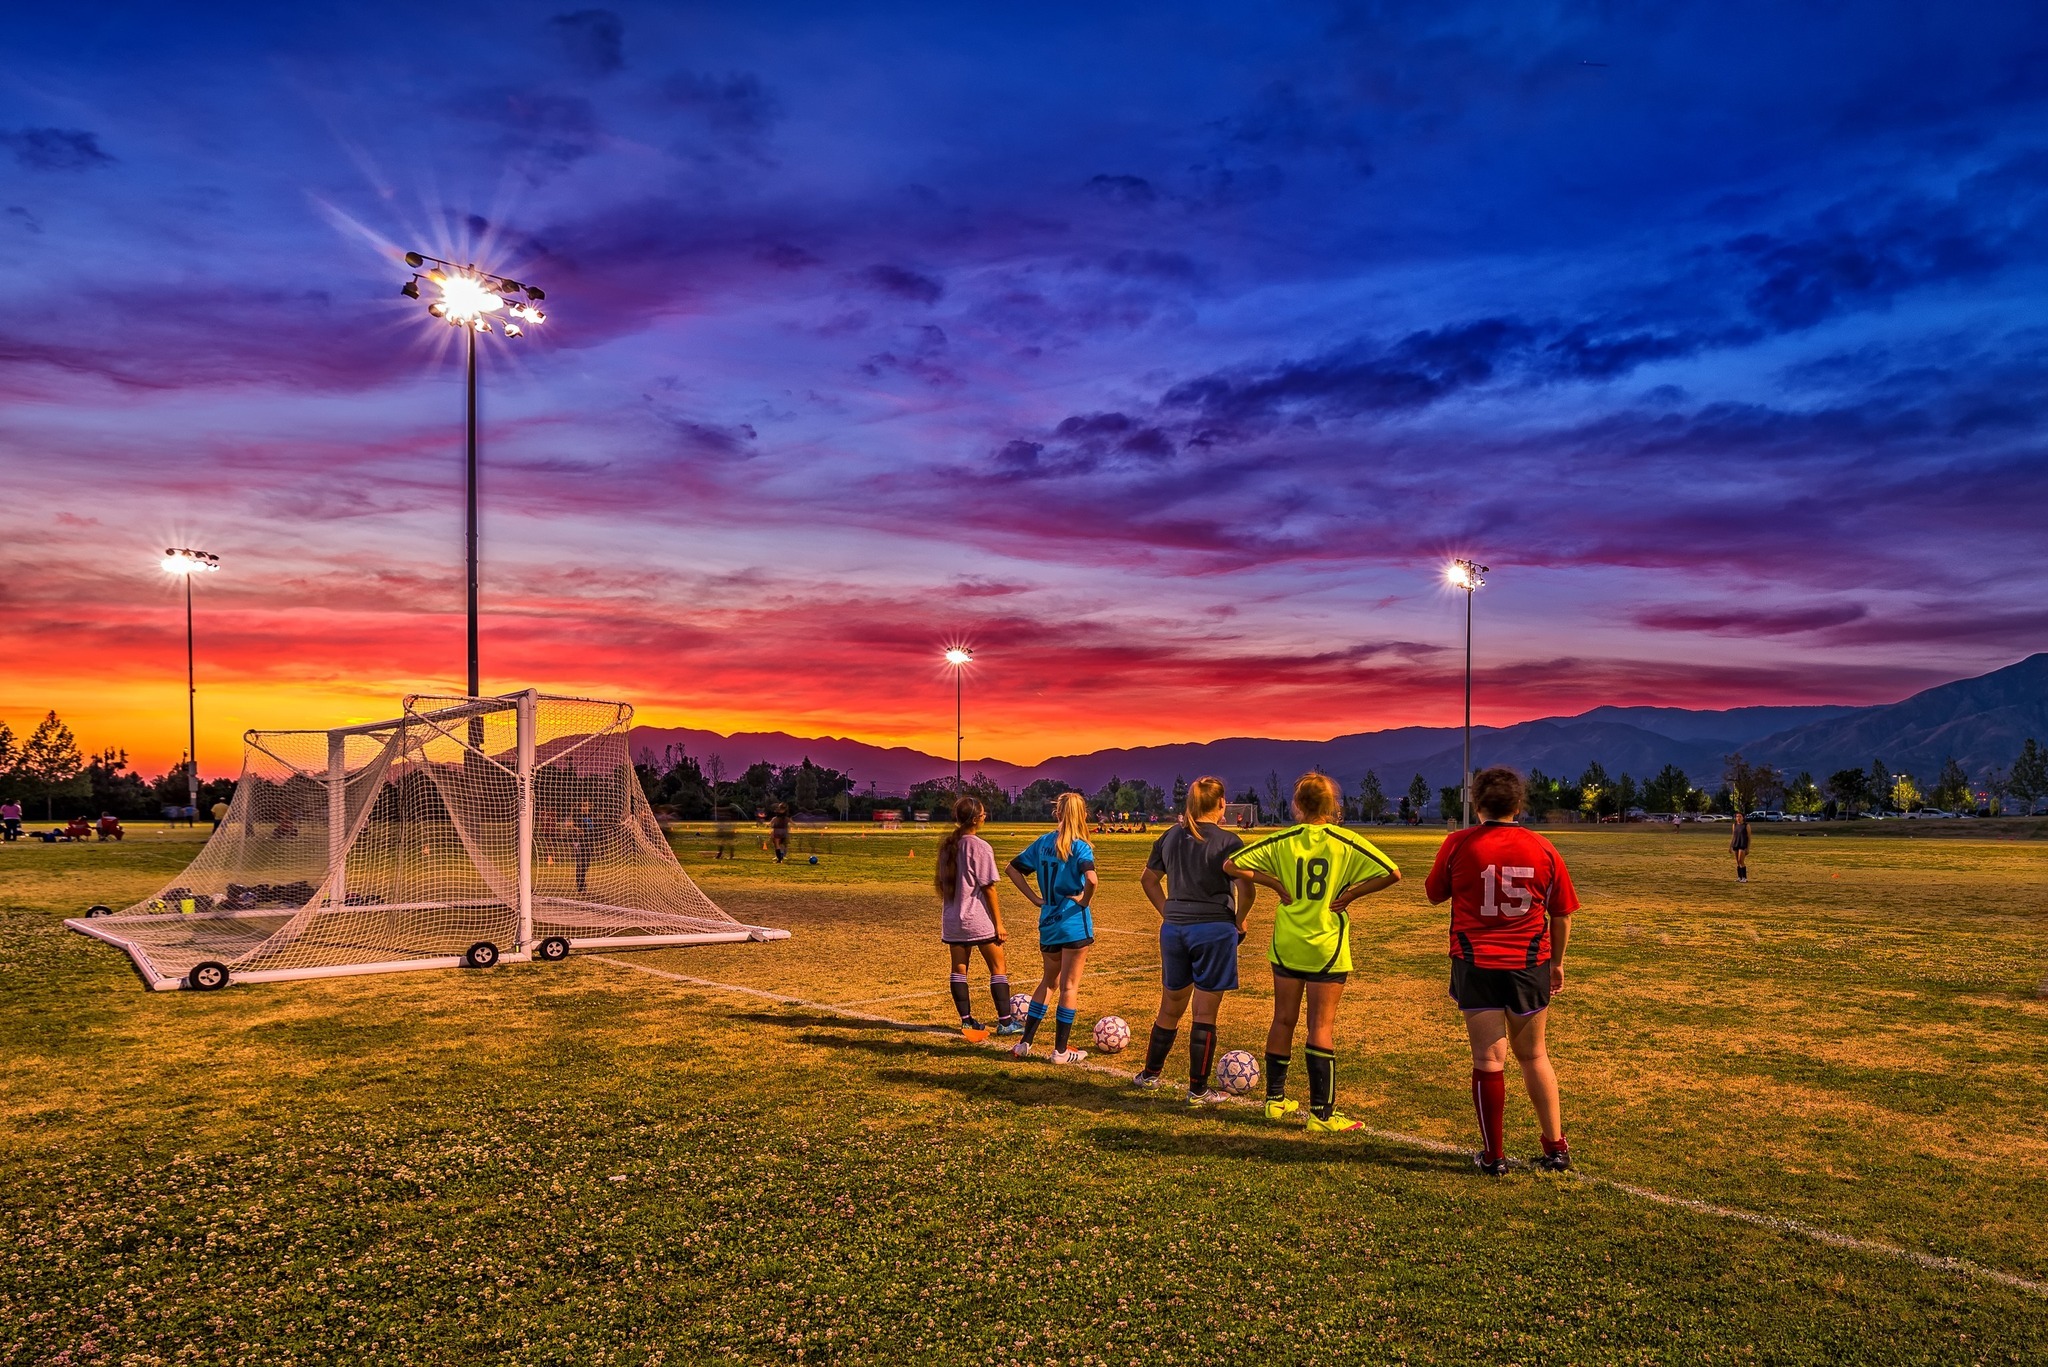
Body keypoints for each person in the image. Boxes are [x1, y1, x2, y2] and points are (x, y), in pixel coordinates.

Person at [1424, 766, 1581, 1176]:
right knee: (1534, 1056)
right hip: (1528, 965)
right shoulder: (1542, 848)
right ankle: (1555, 1147)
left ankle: (1494, 1156)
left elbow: (1434, 894)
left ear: (1475, 802)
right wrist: (1557, 963)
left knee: (1489, 1060)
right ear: (1519, 804)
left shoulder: (1459, 844)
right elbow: (1561, 913)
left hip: (1476, 963)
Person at [1225, 773, 1401, 1133]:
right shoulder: (1344, 840)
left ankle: (1275, 1101)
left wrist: (1273, 881)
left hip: (1288, 943)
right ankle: (1321, 1114)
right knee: (1320, 1026)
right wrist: (1350, 895)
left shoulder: (1283, 840)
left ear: (1298, 806)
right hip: (1326, 945)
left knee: (1282, 1019)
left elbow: (1230, 864)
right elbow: (1392, 872)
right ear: (1332, 806)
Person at [1135, 776, 1252, 1105]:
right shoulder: (1229, 841)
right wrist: (1240, 918)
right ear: (1221, 804)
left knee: (1169, 1008)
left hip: (1174, 930)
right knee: (1204, 1014)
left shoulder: (1170, 836)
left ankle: (1149, 1074)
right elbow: (1246, 887)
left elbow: (1148, 880)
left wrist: (1167, 911)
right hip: (1213, 929)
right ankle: (1198, 1089)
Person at [1005, 791, 1098, 1063]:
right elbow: (1092, 879)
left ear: (1057, 813)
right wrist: (1084, 900)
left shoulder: (1043, 843)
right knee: (1069, 986)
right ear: (1082, 815)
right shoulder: (1080, 846)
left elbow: (1012, 869)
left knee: (1049, 981)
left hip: (1048, 924)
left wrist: (1035, 898)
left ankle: (1025, 1043)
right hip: (1073, 924)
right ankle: (1060, 1051)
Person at [934, 795, 1020, 1042]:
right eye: (983, 814)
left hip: (952, 918)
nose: (985, 816)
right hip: (977, 919)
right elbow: (989, 888)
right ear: (975, 819)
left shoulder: (948, 846)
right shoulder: (980, 847)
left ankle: (967, 1020)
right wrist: (999, 923)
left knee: (959, 970)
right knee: (998, 967)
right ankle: (1005, 1022)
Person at [572, 802, 597, 894]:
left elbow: (591, 830)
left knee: (586, 864)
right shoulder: (577, 816)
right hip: (579, 842)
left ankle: (582, 883)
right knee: (580, 864)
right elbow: (573, 825)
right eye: (584, 806)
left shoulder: (590, 817)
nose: (585, 808)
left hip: (588, 842)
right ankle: (580, 885)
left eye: (587, 806)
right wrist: (578, 830)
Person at [1730, 810, 1750, 882]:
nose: (1738, 818)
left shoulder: (1746, 825)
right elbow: (1733, 836)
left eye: (1740, 816)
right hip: (1736, 844)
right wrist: (1730, 846)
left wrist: (1748, 848)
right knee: (1737, 862)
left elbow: (1749, 837)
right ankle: (1739, 877)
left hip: (1742, 844)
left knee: (1741, 860)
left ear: (1743, 818)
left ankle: (1744, 878)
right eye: (1737, 816)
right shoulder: (1734, 825)